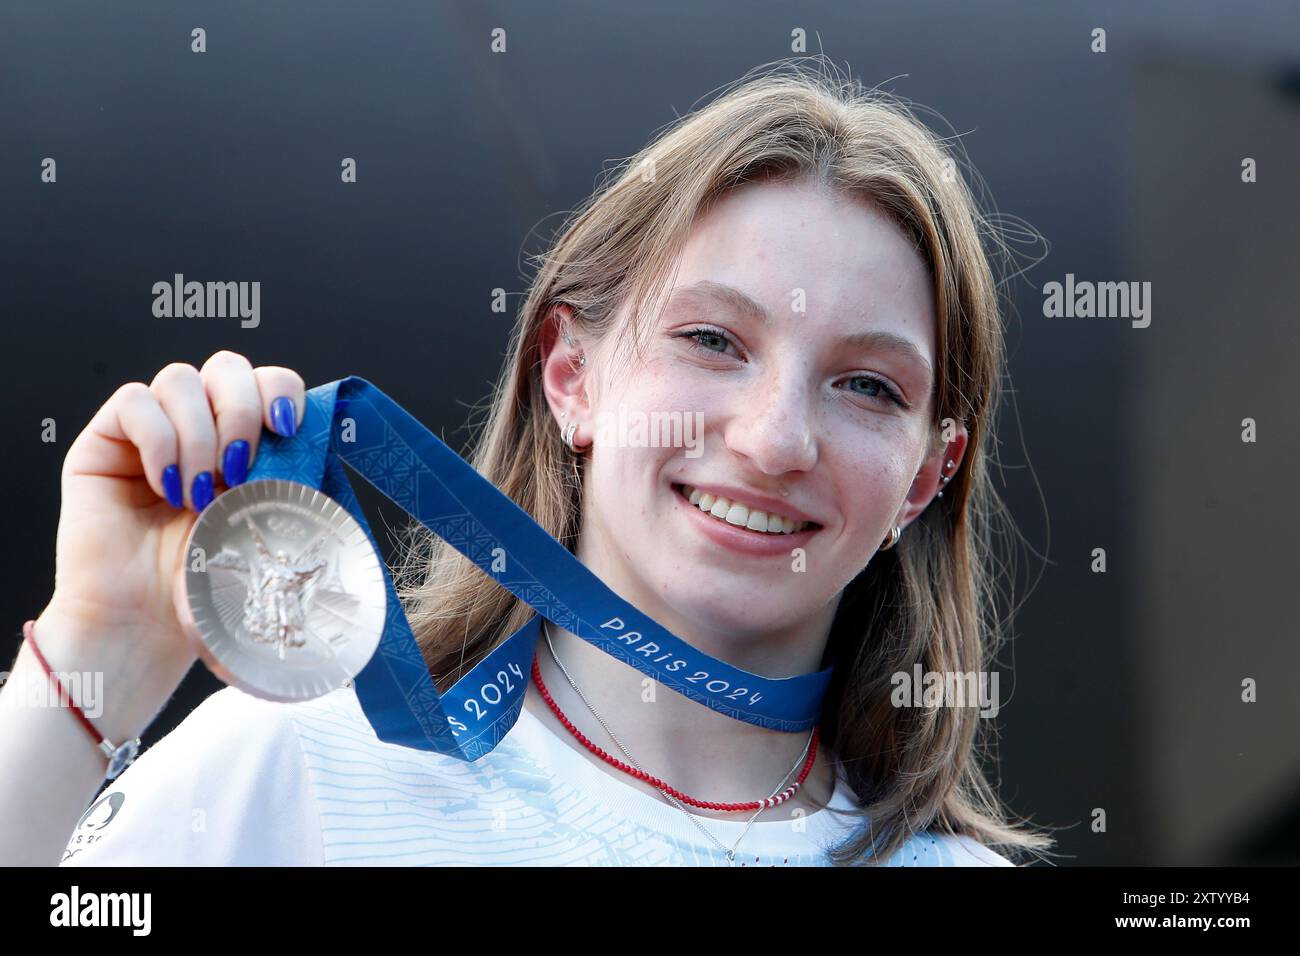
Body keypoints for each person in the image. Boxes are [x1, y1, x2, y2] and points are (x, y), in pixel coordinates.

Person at [0, 58, 1051, 866]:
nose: (774, 438)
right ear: (570, 378)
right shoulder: (301, 770)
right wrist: (101, 654)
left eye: (869, 385)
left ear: (925, 475)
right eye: (712, 341)